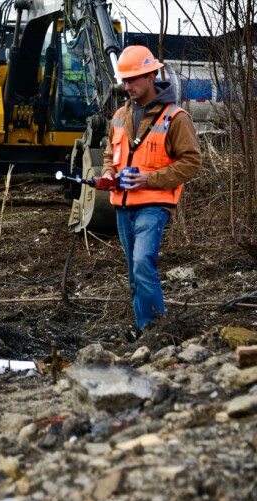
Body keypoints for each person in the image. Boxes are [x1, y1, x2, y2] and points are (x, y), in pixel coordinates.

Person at [94, 45, 202, 331]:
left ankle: (158, 331)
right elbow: (110, 154)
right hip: (123, 205)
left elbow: (191, 162)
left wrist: (148, 179)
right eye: (125, 80)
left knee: (143, 264)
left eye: (134, 79)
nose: (127, 85)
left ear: (152, 75)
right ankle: (147, 333)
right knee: (134, 274)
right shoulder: (119, 116)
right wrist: (108, 174)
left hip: (154, 204)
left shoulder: (175, 117)